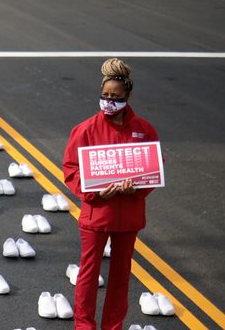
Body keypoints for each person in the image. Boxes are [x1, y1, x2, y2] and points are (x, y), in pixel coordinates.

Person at [62, 58, 159, 330]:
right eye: (105, 95)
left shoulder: (145, 130)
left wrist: (136, 187)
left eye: (115, 97)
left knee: (120, 276)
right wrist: (95, 193)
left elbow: (153, 171)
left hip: (128, 214)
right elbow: (70, 169)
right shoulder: (85, 130)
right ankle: (84, 326)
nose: (109, 101)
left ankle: (113, 326)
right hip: (97, 212)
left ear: (127, 96)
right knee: (89, 274)